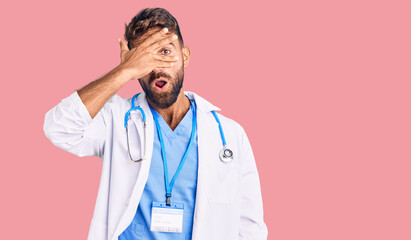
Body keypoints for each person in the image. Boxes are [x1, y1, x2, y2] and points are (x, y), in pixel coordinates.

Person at [43, 7, 268, 240]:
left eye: (165, 51)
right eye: (144, 58)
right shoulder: (117, 118)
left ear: (185, 55)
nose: (157, 67)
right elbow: (58, 128)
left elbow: (250, 226)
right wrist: (123, 71)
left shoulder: (229, 134)